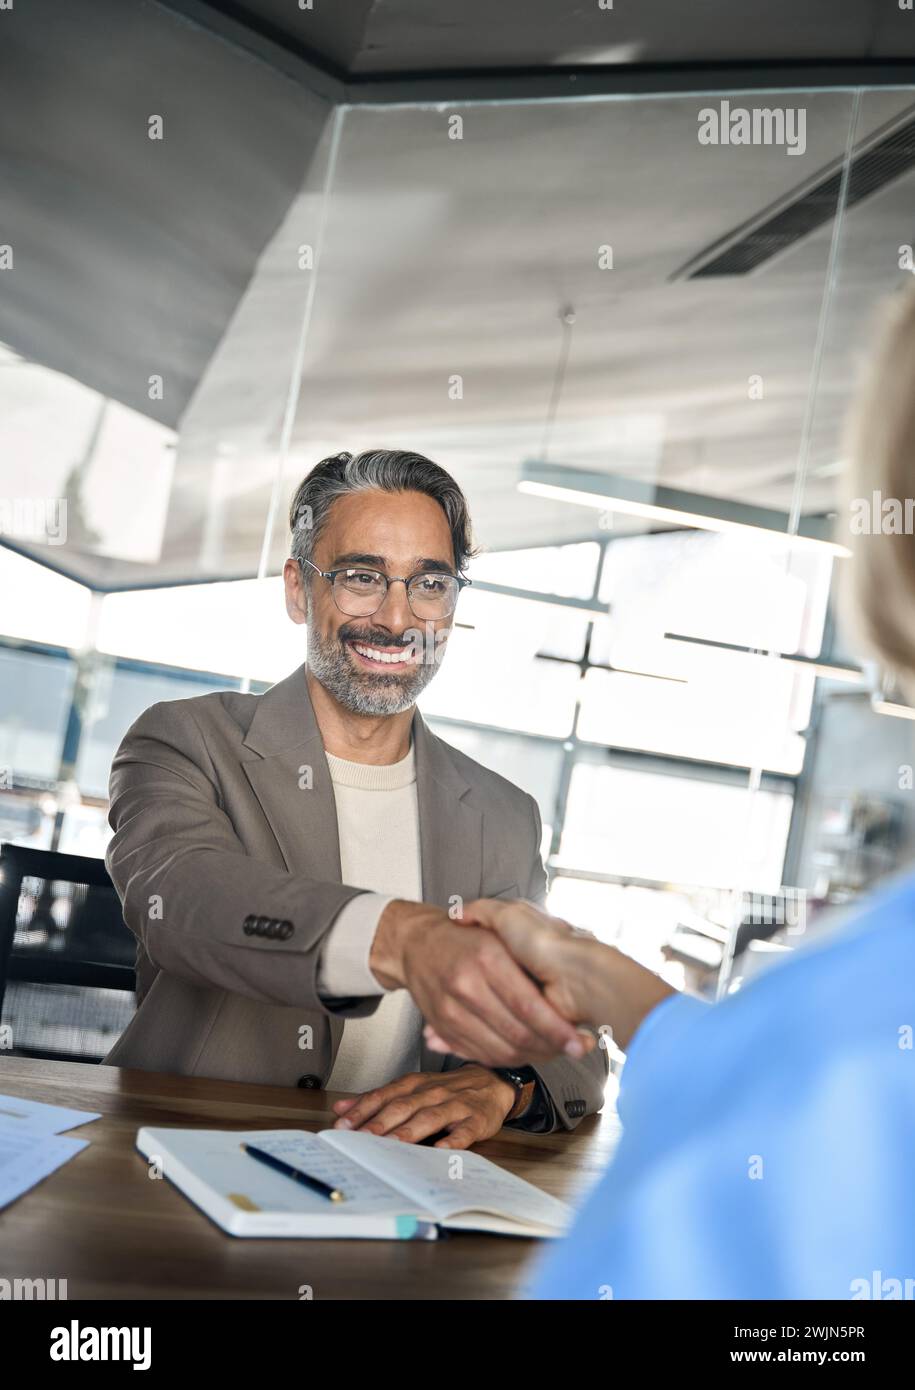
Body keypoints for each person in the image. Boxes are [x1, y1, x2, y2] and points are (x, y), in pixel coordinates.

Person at [424, 289, 915, 1296]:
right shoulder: (837, 1022)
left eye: (430, 581)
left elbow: (793, 1082)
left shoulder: (845, 1029)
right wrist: (583, 964)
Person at [104, 449, 607, 1147]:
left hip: (395, 1180)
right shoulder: (188, 740)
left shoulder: (502, 815)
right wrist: (403, 936)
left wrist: (506, 1084)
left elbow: (569, 1035)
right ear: (297, 589)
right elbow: (182, 899)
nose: (397, 619)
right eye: (362, 577)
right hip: (178, 1154)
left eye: (429, 583)